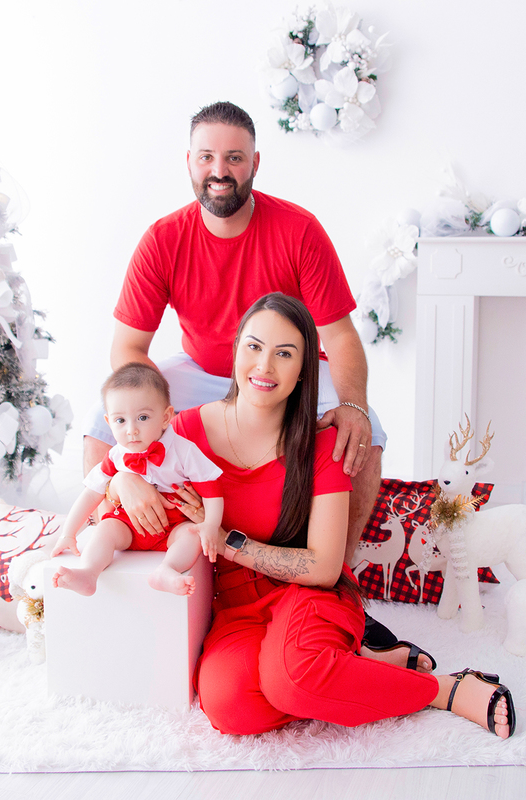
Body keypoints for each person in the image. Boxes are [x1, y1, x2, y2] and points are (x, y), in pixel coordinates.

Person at [108, 293, 515, 737]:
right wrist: (120, 482)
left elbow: (323, 567)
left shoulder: (322, 447)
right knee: (230, 709)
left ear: (305, 370)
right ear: (236, 350)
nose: (264, 367)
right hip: (235, 607)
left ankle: (443, 689)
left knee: (293, 679)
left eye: (285, 354)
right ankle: (351, 667)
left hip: (306, 592)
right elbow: (118, 465)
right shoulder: (182, 431)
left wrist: (227, 542)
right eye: (255, 347)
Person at [84, 100, 398, 651]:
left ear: (255, 163)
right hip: (204, 371)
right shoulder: (163, 239)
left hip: (283, 369)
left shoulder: (298, 229)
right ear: (189, 162)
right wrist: (124, 468)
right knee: (102, 420)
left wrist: (350, 406)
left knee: (365, 430)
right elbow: (129, 349)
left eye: (234, 157)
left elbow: (342, 338)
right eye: (207, 156)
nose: (220, 169)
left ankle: (338, 585)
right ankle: (118, 551)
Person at [51, 363, 225, 596]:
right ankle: (88, 573)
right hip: (129, 526)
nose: (131, 430)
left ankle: (167, 569)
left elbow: (212, 489)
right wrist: (68, 534)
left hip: (173, 526)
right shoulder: (116, 455)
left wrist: (211, 525)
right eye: (120, 420)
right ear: (108, 421)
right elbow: (90, 493)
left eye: (142, 417)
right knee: (105, 528)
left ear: (165, 417)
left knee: (192, 535)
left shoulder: (184, 450)